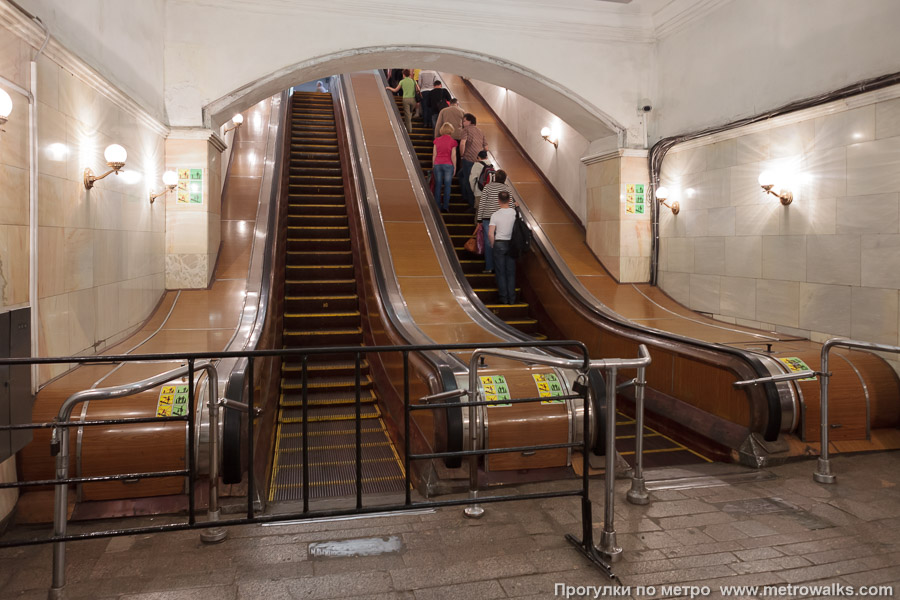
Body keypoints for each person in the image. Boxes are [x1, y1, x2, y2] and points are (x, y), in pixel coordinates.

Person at [477, 169, 510, 273]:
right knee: (500, 242)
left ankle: (489, 267)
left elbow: (482, 203)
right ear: (504, 179)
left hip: (488, 218)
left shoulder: (488, 187)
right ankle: (500, 268)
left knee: (488, 243)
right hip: (502, 219)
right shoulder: (507, 188)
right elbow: (510, 204)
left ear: (494, 177)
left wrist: (479, 219)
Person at [489, 191, 518, 305]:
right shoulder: (514, 213)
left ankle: (503, 298)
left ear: (498, 201)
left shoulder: (495, 215)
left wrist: (493, 244)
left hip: (499, 243)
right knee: (511, 272)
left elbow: (491, 233)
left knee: (500, 272)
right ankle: (512, 298)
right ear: (510, 200)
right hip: (511, 244)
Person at [458, 113, 488, 212]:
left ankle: (471, 204)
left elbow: (462, 143)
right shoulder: (481, 131)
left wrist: (462, 155)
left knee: (469, 181)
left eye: (464, 121)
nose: (463, 123)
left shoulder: (465, 130)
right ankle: (465, 196)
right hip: (479, 161)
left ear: (470, 121)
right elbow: (486, 147)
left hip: (468, 159)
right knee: (461, 175)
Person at [432, 123, 458, 212]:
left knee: (438, 185)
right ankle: (446, 206)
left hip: (438, 164)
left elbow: (434, 154)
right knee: (447, 186)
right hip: (448, 165)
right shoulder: (453, 142)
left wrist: (433, 165)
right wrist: (454, 167)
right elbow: (453, 156)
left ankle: (437, 206)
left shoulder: (436, 140)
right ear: (451, 130)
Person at [468, 150, 491, 216]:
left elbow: (471, 180)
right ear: (486, 157)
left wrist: (474, 190)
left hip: (479, 192)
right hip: (489, 193)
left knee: (479, 214)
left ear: (478, 157)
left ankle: (478, 226)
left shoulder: (477, 165)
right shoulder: (491, 165)